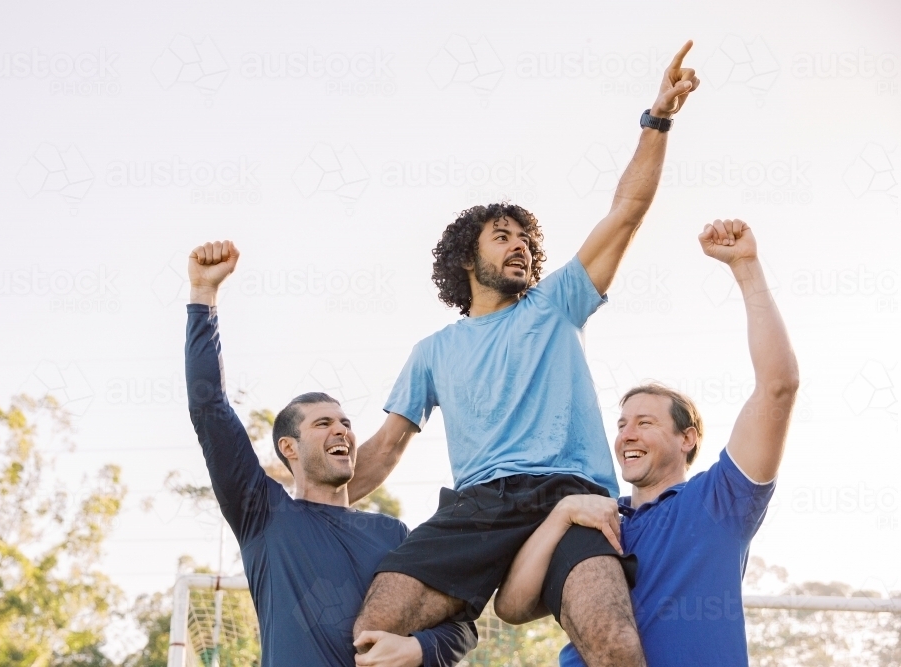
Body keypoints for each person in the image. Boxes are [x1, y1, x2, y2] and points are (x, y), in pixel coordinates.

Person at [349, 41, 701, 667]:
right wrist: (288, 496)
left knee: (616, 645)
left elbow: (627, 211)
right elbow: (380, 455)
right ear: (467, 258)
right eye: (501, 236)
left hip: (574, 497)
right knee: (373, 629)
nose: (519, 248)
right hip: (479, 506)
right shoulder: (433, 351)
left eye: (525, 241)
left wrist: (658, 119)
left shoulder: (556, 302)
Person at [494, 219, 799, 667]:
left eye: (644, 422)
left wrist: (746, 268)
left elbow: (779, 385)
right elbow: (513, 607)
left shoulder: (720, 500)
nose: (626, 435)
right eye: (621, 424)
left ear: (687, 438)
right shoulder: (593, 517)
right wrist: (561, 515)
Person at [184, 239, 477, 667]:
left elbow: (460, 624)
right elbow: (208, 408)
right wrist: (203, 297)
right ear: (290, 448)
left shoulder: (392, 534)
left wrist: (418, 648)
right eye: (323, 423)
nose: (341, 430)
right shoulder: (263, 516)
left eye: (346, 423)